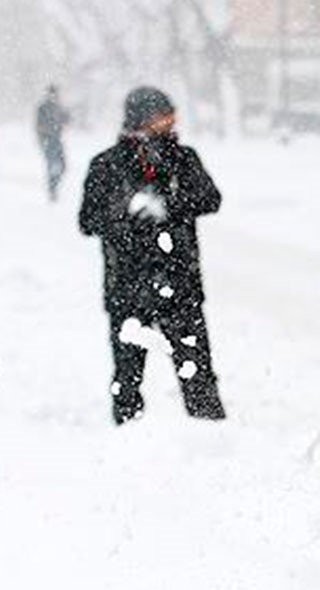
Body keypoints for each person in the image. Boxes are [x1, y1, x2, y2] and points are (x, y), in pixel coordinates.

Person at [79, 86, 226, 424]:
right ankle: (129, 441)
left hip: (180, 284)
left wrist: (168, 206)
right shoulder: (106, 165)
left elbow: (210, 198)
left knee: (197, 373)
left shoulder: (183, 159)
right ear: (140, 119)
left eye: (171, 114)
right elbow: (88, 220)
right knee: (128, 376)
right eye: (162, 116)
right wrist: (126, 212)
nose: (170, 122)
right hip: (127, 288)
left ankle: (213, 439)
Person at [36, 85, 70, 201]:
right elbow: (39, 126)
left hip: (56, 139)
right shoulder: (43, 108)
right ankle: (52, 189)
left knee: (62, 166)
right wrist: (44, 137)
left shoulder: (58, 107)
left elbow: (66, 120)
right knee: (53, 165)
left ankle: (53, 187)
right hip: (48, 140)